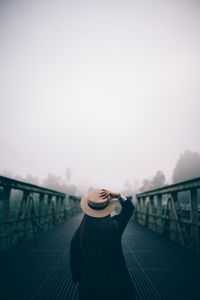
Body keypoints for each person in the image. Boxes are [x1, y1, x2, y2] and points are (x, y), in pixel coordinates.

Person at [69, 188, 136, 300]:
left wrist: (79, 280)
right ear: (107, 209)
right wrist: (119, 195)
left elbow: (75, 264)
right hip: (117, 285)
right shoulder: (115, 227)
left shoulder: (78, 235)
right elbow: (129, 209)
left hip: (89, 289)